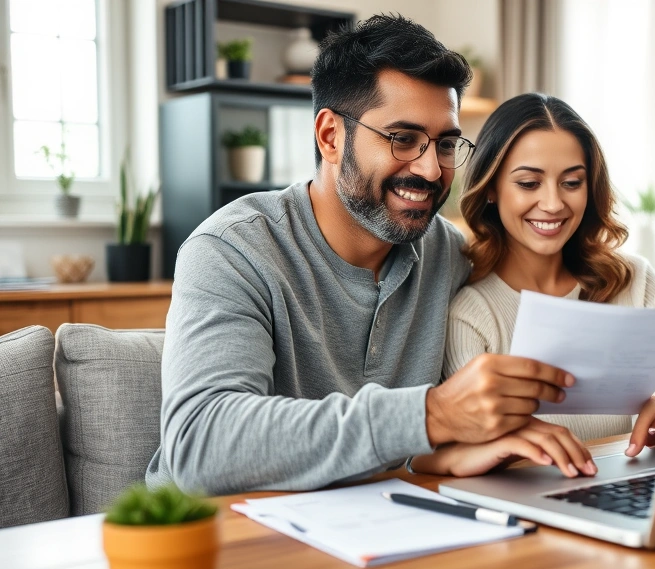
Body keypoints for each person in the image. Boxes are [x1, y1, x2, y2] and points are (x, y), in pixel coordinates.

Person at [146, 16, 595, 495]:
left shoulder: (451, 255)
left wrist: (453, 452)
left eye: (445, 144)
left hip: (379, 523)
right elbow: (202, 444)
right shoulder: (233, 250)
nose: (429, 168)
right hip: (223, 535)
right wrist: (433, 414)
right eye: (402, 139)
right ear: (330, 136)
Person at [433, 93, 655, 465]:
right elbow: (469, 445)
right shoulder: (472, 314)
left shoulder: (633, 281)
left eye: (572, 182)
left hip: (633, 488)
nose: (554, 204)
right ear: (491, 188)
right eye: (528, 183)